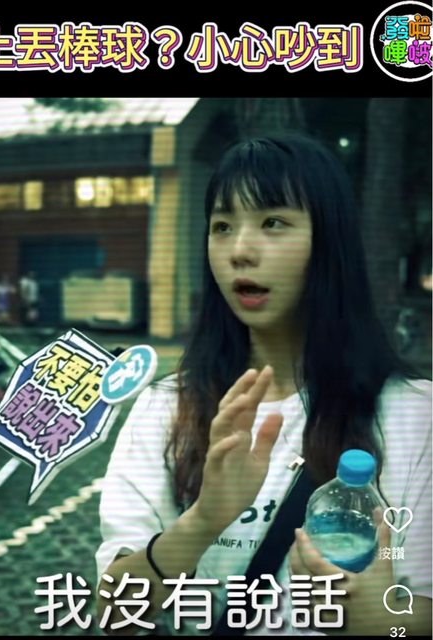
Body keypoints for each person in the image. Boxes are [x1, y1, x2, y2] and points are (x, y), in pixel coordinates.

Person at [95, 135, 432, 636]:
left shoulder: (413, 415)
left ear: (331, 241)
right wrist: (204, 518)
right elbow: (116, 616)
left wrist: (373, 619)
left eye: (273, 222)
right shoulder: (165, 407)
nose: (239, 251)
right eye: (222, 226)